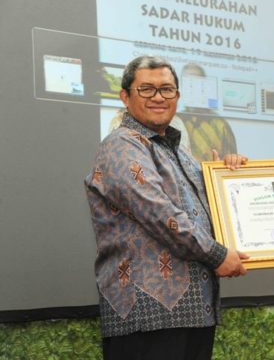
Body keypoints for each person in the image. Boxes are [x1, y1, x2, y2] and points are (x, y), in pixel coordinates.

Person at [84, 55, 248, 360]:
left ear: (178, 97)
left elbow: (213, 211)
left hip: (197, 309)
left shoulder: (182, 153)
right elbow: (161, 215)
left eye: (167, 89)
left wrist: (228, 175)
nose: (159, 97)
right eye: (146, 89)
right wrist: (218, 255)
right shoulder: (121, 145)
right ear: (125, 96)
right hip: (147, 313)